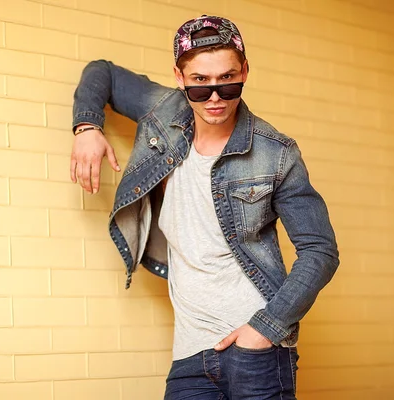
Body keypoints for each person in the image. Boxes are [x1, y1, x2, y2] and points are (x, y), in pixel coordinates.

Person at [70, 15, 339, 400]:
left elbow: (320, 250)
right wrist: (87, 128)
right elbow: (103, 73)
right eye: (200, 84)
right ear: (180, 78)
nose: (215, 97)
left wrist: (265, 328)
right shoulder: (161, 111)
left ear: (245, 70)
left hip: (256, 350)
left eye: (228, 81)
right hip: (189, 354)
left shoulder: (276, 153)